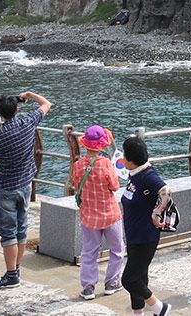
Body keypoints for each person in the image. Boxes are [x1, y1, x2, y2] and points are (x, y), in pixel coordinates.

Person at [0, 89, 52, 289]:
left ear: (0, 114)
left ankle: (11, 275)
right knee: (21, 229)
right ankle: (16, 268)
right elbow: (47, 104)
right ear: (17, 109)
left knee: (8, 233)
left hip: (6, 187)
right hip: (25, 184)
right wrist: (30, 95)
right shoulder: (28, 122)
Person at [120, 135, 173, 316]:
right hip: (134, 235)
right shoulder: (134, 174)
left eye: (125, 155)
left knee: (129, 280)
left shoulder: (147, 176)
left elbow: (166, 191)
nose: (122, 158)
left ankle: (160, 307)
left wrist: (156, 212)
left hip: (145, 237)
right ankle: (138, 313)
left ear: (132, 161)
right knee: (140, 278)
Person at [73, 126, 125, 301]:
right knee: (117, 250)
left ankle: (88, 288)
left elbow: (76, 186)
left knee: (89, 252)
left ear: (85, 145)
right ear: (102, 146)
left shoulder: (78, 165)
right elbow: (115, 186)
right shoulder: (106, 164)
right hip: (110, 214)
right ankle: (112, 283)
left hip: (88, 216)